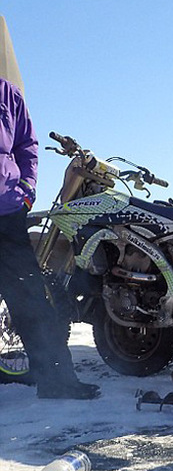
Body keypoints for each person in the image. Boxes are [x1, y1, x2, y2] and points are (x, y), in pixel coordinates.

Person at [0, 75, 100, 399]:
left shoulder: (7, 93)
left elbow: (26, 145)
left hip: (7, 213)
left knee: (31, 300)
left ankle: (57, 382)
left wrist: (26, 190)